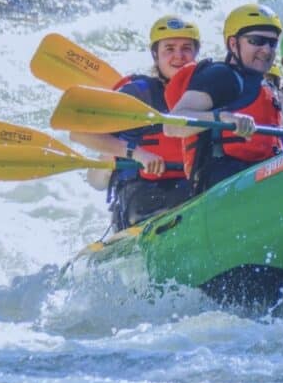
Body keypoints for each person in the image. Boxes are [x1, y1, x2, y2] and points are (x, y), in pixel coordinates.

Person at [72, 16, 199, 230]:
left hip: (192, 189)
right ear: (155, 55)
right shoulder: (139, 92)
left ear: (196, 53)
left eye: (186, 48)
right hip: (143, 195)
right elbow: (79, 132)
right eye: (169, 49)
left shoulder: (206, 93)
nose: (179, 56)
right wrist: (136, 153)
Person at [164, 4, 283, 193]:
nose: (267, 50)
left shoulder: (266, 86)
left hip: (261, 179)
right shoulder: (221, 76)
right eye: (257, 40)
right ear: (233, 44)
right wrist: (222, 118)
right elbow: (171, 125)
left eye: (272, 43)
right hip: (223, 187)